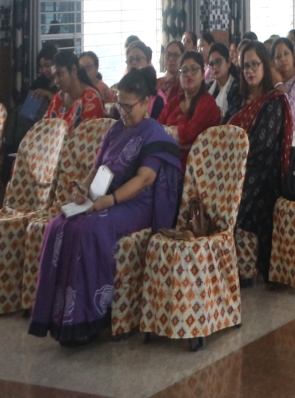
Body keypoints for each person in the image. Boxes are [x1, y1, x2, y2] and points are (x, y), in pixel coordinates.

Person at [28, 67, 181, 344]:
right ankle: (59, 316)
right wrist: (83, 190)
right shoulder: (115, 130)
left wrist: (110, 200)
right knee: (58, 225)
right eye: (119, 104)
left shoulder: (154, 133)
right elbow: (97, 167)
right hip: (102, 198)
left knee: (90, 230)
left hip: (135, 205)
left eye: (128, 106)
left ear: (145, 102)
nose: (122, 111)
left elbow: (145, 178)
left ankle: (87, 319)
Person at [227, 40, 293, 283]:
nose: (250, 70)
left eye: (255, 64)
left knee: (228, 200)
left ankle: (236, 269)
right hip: (235, 167)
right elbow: (224, 132)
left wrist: (230, 160)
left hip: (263, 173)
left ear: (265, 66)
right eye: (245, 65)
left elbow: (260, 145)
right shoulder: (238, 97)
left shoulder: (273, 101)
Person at [159, 51, 223, 168]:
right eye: (184, 70)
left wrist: (167, 134)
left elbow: (187, 134)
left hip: (194, 168)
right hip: (166, 159)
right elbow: (157, 127)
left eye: (194, 69)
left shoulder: (207, 103)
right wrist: (173, 137)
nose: (189, 74)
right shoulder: (175, 101)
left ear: (203, 74)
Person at [45, 49, 106, 129]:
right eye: (54, 76)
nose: (56, 81)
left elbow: (84, 137)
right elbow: (46, 129)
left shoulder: (91, 97)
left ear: (74, 70)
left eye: (60, 74)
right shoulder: (57, 99)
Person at [206, 42, 241, 117]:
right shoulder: (208, 87)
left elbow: (231, 117)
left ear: (228, 62)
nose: (215, 67)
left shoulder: (236, 88)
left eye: (218, 62)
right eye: (211, 64)